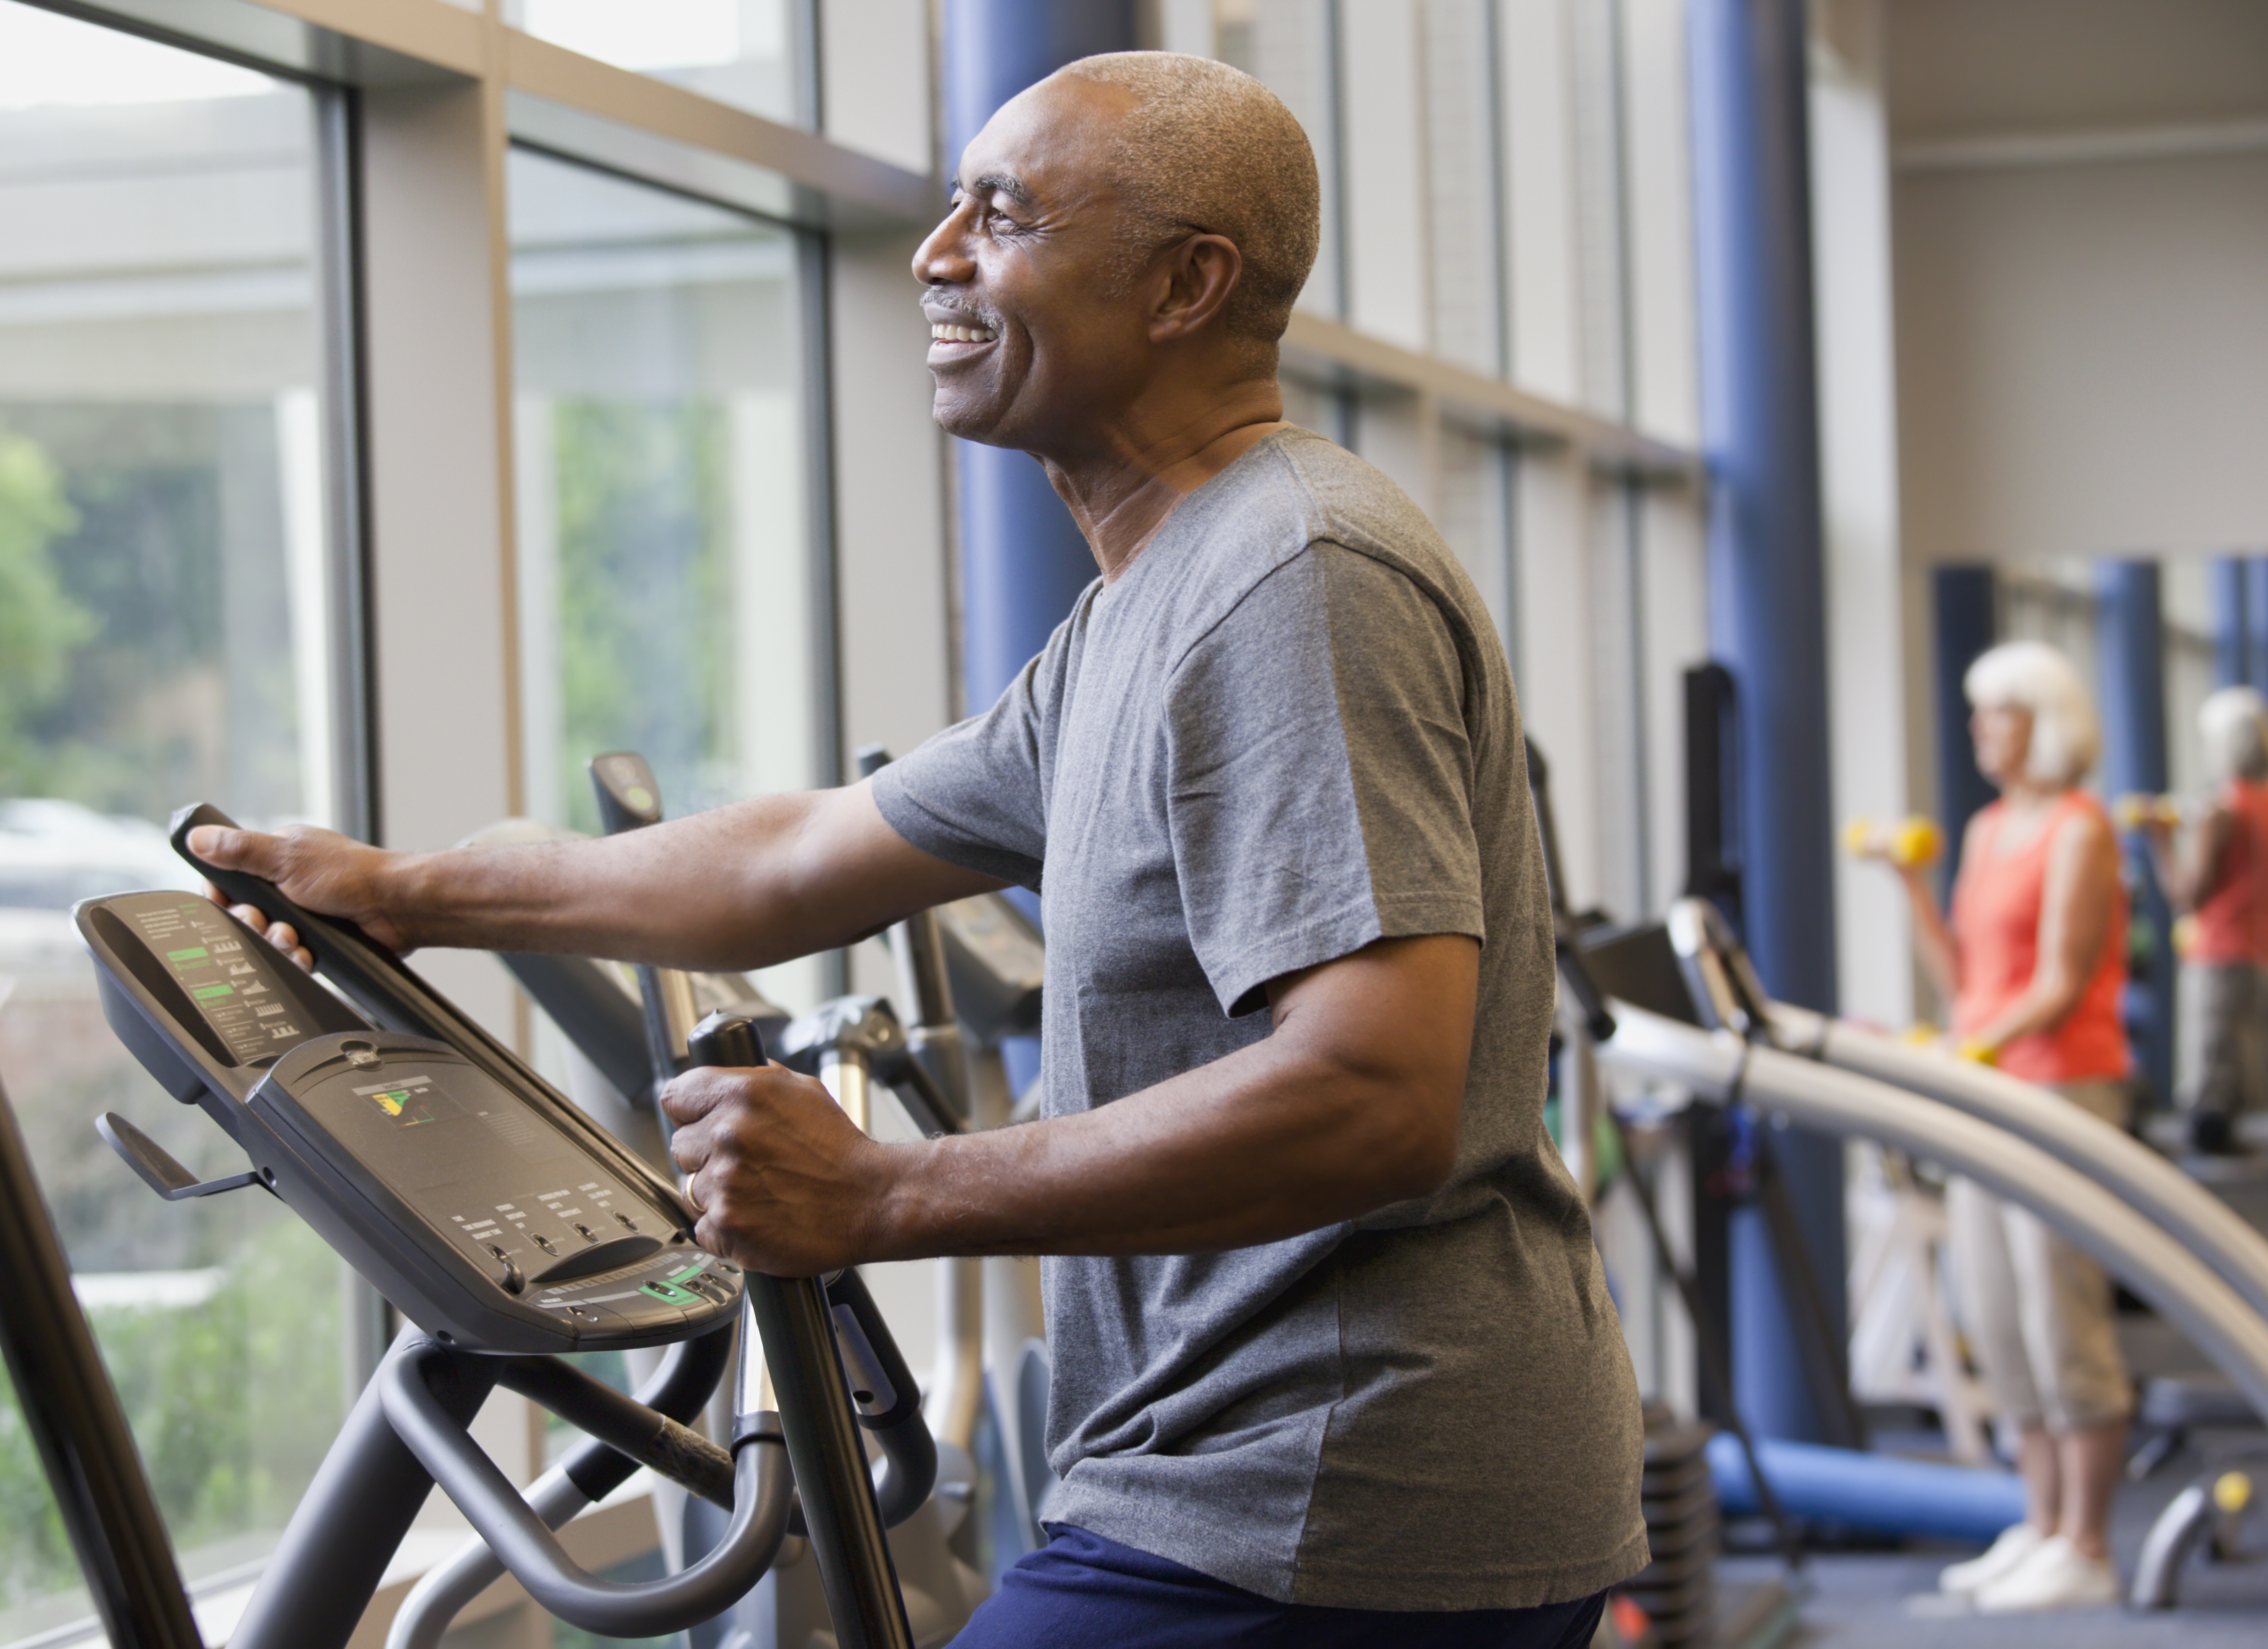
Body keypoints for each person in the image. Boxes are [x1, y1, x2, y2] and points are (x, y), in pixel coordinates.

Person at [192, 52, 1644, 1646]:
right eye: (948, 204)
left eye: (1001, 215)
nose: (935, 253)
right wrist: (409, 893)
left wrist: (884, 1193)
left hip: (1329, 1492)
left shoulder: (1286, 580)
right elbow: (794, 861)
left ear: (1187, 283)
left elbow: (1379, 1093)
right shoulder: (1151, 606)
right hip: (1286, 1483)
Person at [1860, 639, 2131, 1613]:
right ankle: (2042, 1523)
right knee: (1995, 1314)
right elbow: (1969, 985)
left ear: (2042, 723)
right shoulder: (1982, 833)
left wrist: (1969, 1049)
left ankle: (2089, 1545)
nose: (1980, 729)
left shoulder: (2080, 831)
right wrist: (1907, 888)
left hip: (2063, 1091)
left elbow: (2057, 988)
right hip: (1992, 1091)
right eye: (1977, 713)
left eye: (1997, 713)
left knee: (2062, 1316)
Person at [2141, 685, 2268, 1155]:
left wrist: (2158, 840)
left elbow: (2186, 894)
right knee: (2247, 1074)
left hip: (2217, 952)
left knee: (2212, 1083)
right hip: (2257, 954)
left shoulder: (2221, 810)